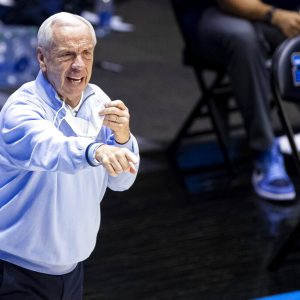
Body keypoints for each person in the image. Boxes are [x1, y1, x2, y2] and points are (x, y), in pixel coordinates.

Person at [0, 11, 139, 299]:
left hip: (72, 271)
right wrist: (96, 149)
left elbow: (120, 182)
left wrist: (123, 139)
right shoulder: (21, 109)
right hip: (15, 271)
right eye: (66, 55)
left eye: (86, 53)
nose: (78, 65)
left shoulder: (99, 101)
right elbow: (51, 149)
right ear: (42, 58)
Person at [177, 0, 300, 201]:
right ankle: (264, 152)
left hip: (268, 14)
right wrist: (276, 16)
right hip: (212, 14)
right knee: (243, 38)